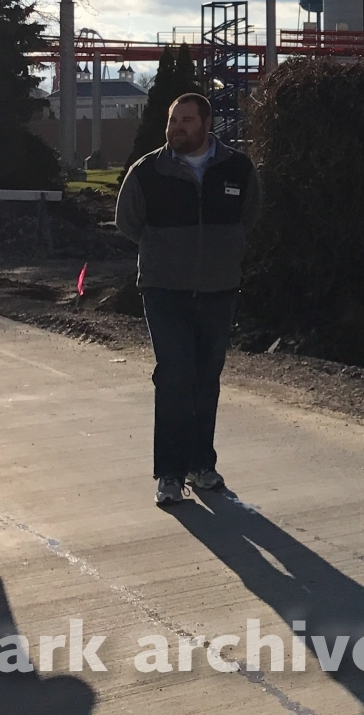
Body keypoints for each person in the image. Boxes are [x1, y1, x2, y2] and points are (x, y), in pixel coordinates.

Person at [115, 92, 260, 505]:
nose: (176, 128)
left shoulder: (237, 169)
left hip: (218, 290)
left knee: (206, 379)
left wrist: (222, 253)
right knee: (175, 376)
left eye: (186, 120)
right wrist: (165, 253)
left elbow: (249, 216)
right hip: (164, 290)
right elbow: (127, 222)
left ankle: (201, 465)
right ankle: (170, 473)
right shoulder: (148, 171)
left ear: (206, 123)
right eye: (173, 120)